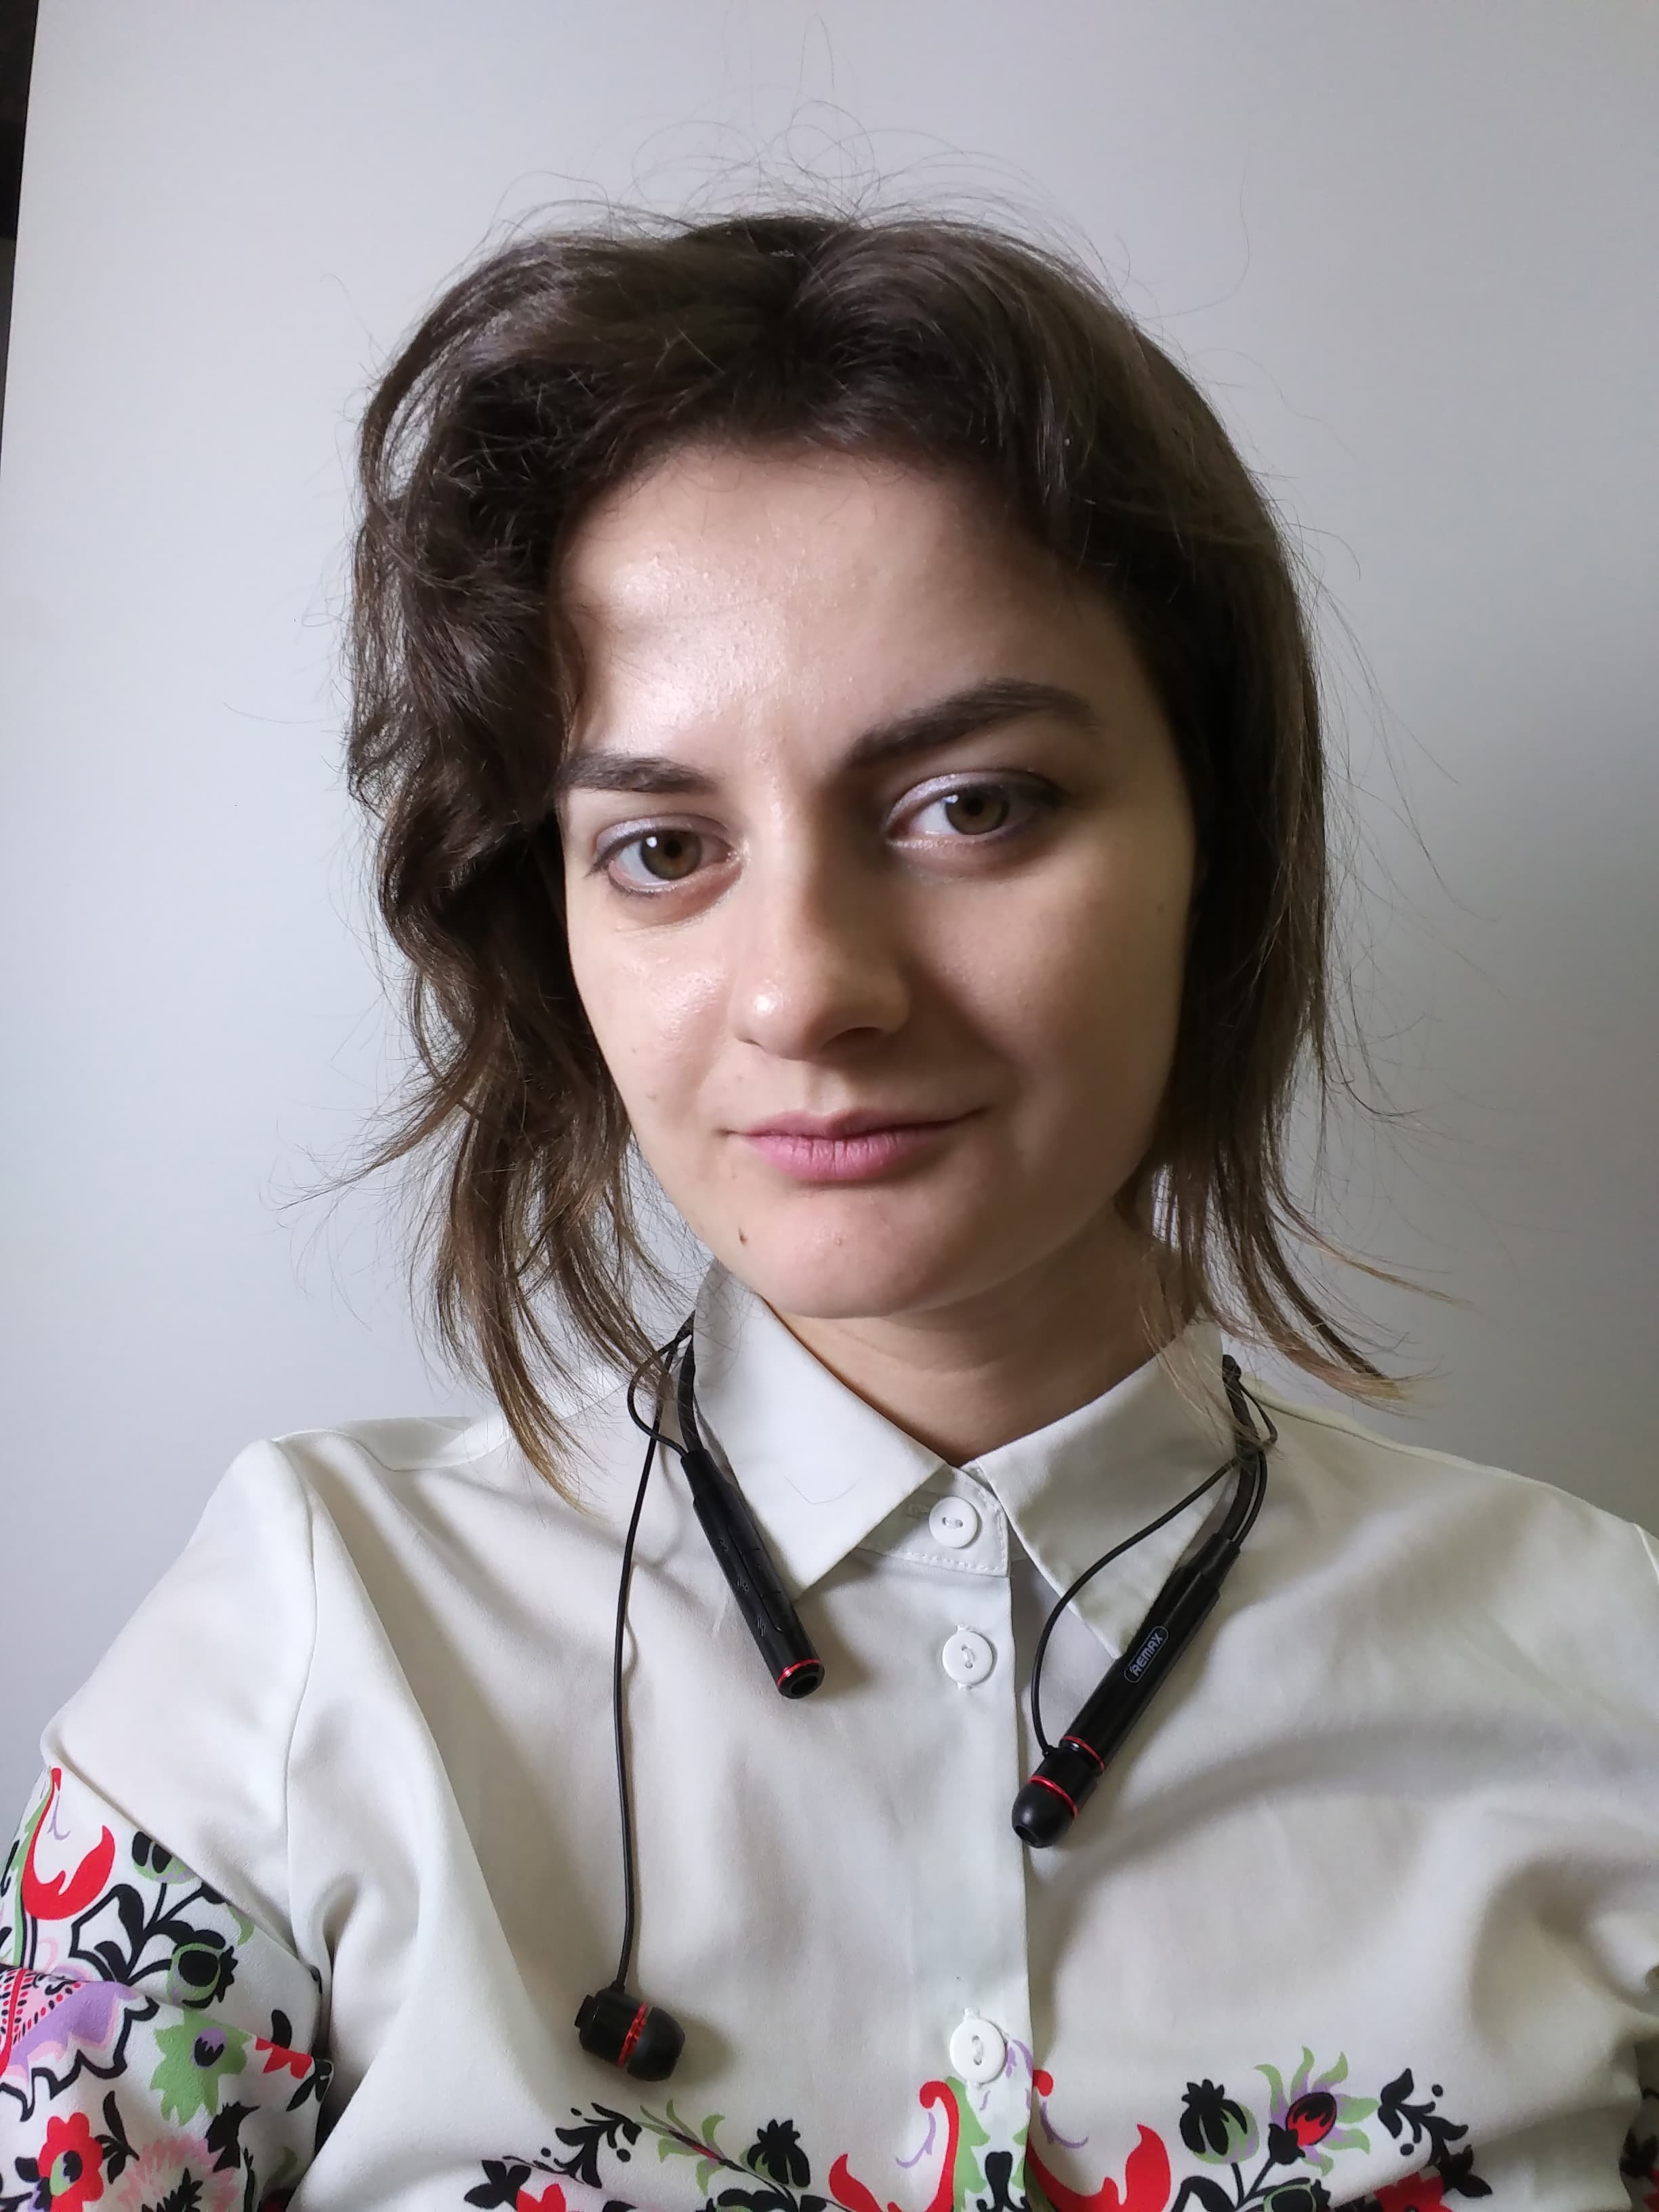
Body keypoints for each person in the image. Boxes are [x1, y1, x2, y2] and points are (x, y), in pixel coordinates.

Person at [1, 205, 1654, 2212]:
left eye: (974, 805)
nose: (805, 993)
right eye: (662, 846)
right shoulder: (312, 1637)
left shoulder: (1611, 1676)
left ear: (1217, 839)